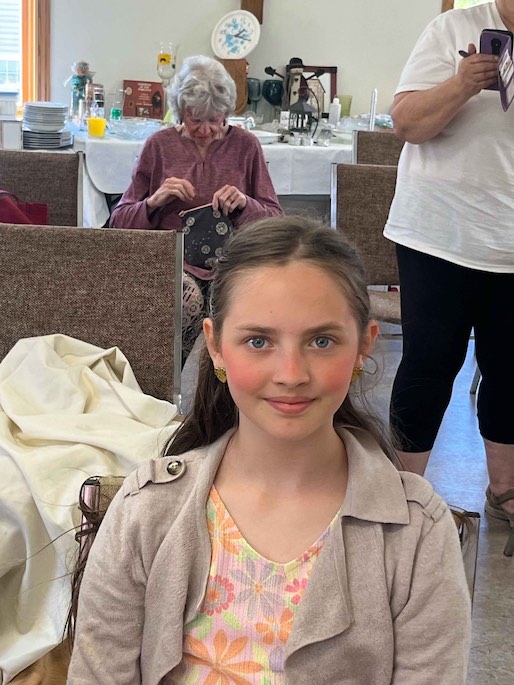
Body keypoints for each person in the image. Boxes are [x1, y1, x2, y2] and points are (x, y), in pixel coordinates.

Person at [68, 215, 471, 684]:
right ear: (216, 346)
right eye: (258, 341)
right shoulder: (147, 510)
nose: (291, 374)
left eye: (321, 341)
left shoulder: (417, 533)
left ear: (364, 345)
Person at [384, 0, 514, 555]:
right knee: (430, 364)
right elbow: (407, 124)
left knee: (510, 371)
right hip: (438, 234)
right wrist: (462, 83)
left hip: (510, 241)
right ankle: (398, 495)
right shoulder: (452, 28)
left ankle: (505, 493)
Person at [110, 55, 282, 360]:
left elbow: (276, 221)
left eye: (215, 119)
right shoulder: (159, 145)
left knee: (251, 311)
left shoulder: (246, 146)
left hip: (231, 263)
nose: (205, 129)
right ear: (180, 111)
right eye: (195, 119)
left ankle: (224, 383)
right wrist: (154, 201)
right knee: (185, 300)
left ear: (227, 112)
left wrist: (245, 204)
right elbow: (119, 222)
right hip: (173, 261)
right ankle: (166, 381)